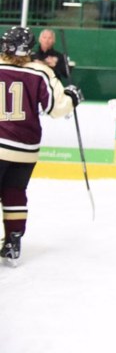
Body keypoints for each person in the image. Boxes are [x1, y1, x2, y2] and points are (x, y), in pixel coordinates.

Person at [0, 27, 82, 266]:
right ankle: (13, 242)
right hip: (26, 148)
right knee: (15, 192)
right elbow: (55, 108)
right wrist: (73, 96)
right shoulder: (41, 71)